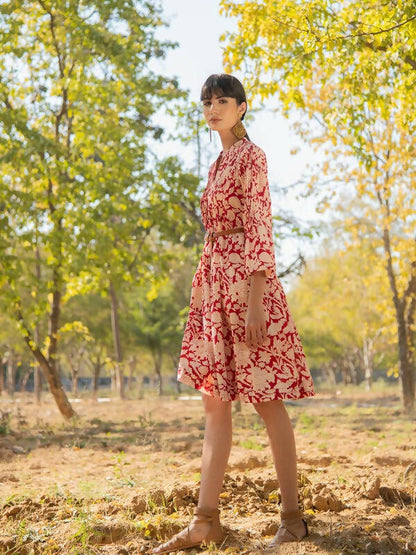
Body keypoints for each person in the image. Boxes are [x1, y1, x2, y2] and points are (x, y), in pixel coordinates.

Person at [152, 73, 315, 554]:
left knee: (266, 400)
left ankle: (293, 518)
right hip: (214, 284)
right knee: (213, 403)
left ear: (243, 107)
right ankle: (206, 521)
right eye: (207, 102)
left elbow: (260, 225)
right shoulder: (218, 162)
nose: (213, 108)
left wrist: (256, 298)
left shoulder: (251, 156)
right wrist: (206, 291)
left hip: (248, 284)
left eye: (223, 100)